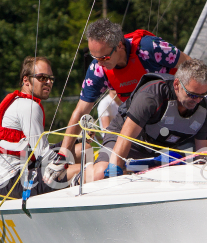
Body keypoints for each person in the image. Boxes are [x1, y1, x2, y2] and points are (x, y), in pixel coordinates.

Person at [59, 19, 193, 169]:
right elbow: (81, 110)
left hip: (169, 117)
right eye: (94, 58)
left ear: (120, 46)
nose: (99, 63)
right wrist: (63, 155)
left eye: (104, 58)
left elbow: (190, 66)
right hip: (134, 121)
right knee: (103, 170)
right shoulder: (98, 69)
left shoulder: (149, 48)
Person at [91, 58, 207, 181]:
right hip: (127, 140)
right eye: (192, 95)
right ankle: (77, 177)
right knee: (101, 173)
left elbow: (202, 156)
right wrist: (114, 170)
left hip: (160, 152)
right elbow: (126, 136)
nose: (197, 101)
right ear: (176, 85)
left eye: (202, 96)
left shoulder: (205, 110)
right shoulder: (152, 95)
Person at [0, 56, 67, 198]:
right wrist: (68, 164)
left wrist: (74, 144)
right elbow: (44, 155)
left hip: (23, 170)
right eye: (42, 77)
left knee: (80, 148)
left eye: (51, 78)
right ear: (26, 80)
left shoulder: (21, 101)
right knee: (83, 170)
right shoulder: (29, 106)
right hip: (12, 183)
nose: (48, 82)